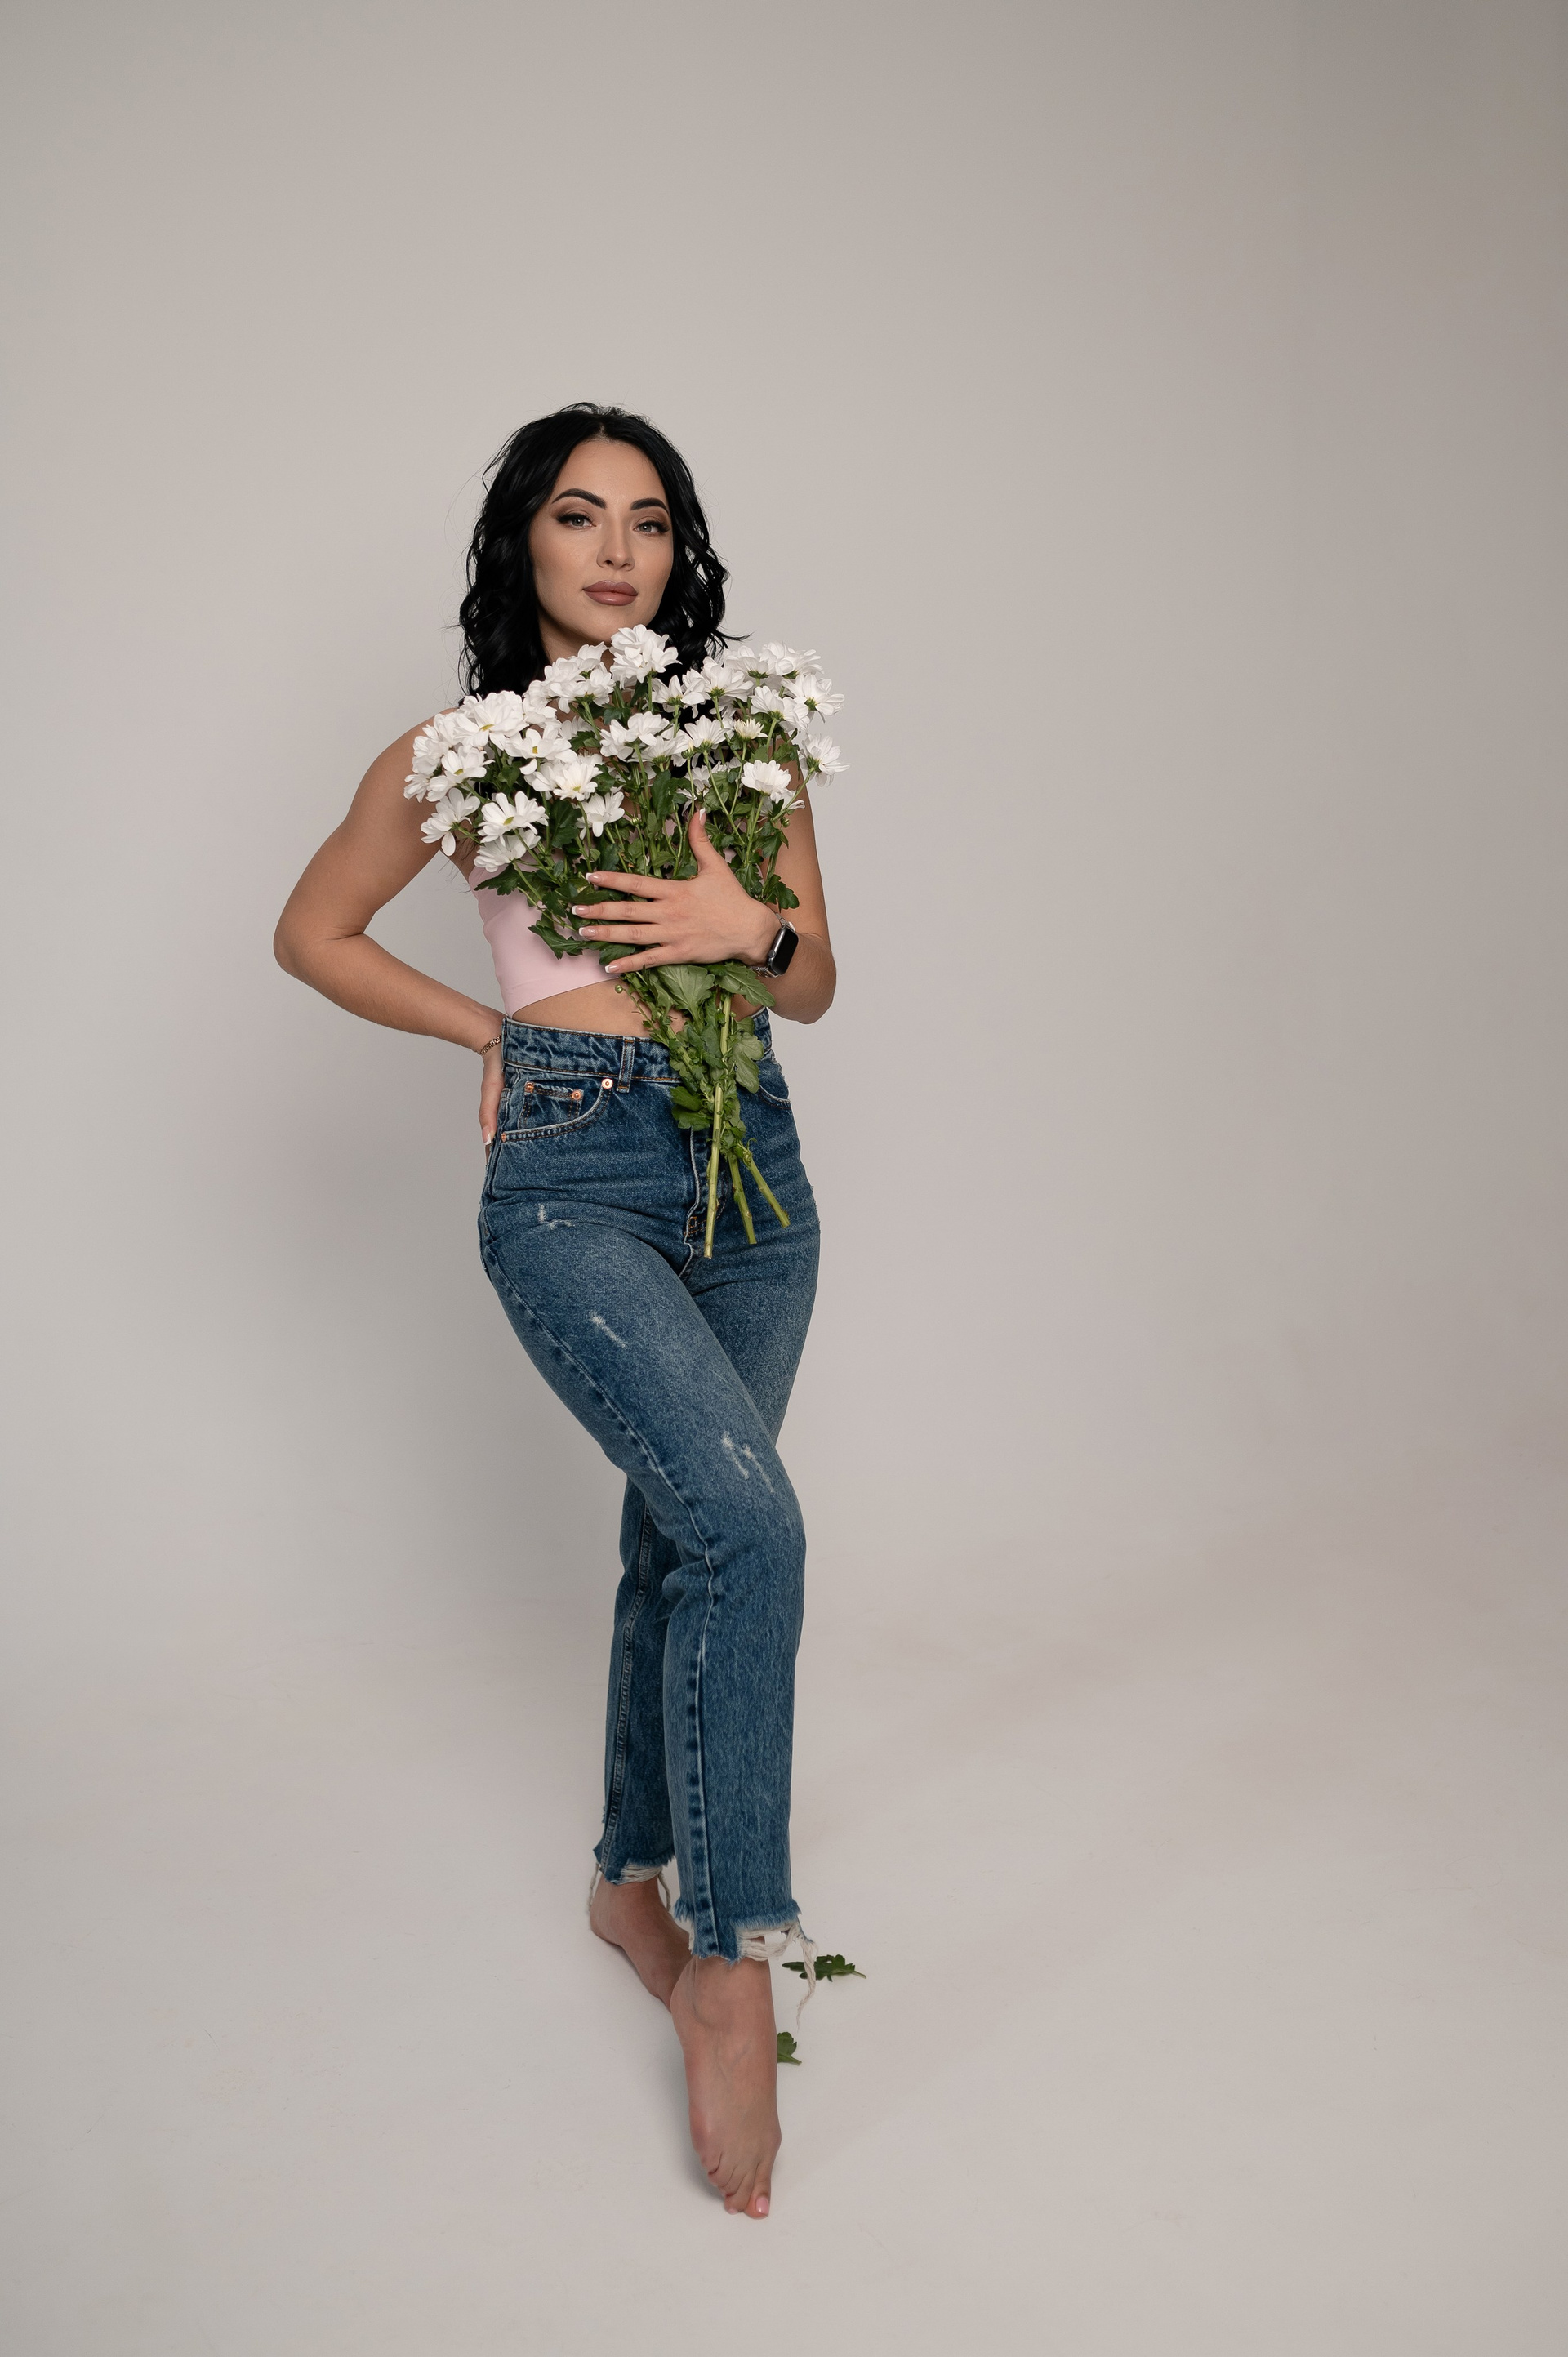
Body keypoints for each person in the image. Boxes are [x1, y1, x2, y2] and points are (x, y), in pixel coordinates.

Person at [274, 403, 835, 2221]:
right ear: (522, 540)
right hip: (573, 1170)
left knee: (685, 1539)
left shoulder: (744, 741)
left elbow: (812, 983)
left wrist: (739, 923)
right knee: (750, 1523)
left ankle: (625, 1882)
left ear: (681, 553)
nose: (618, 550)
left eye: (650, 521)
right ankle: (731, 1959)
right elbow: (313, 929)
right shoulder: (461, 750)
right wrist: (494, 1036)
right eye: (581, 515)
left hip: (752, 1168)